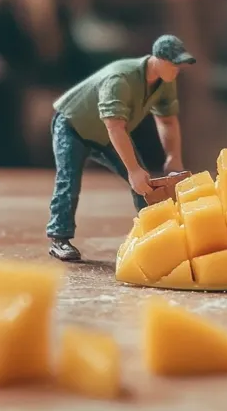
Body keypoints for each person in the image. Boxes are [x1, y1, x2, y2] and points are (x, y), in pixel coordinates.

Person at [47, 35, 196, 262]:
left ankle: (154, 230)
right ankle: (59, 238)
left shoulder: (166, 81)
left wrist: (173, 156)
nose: (178, 69)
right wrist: (132, 169)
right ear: (157, 59)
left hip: (108, 133)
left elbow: (167, 120)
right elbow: (114, 126)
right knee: (69, 181)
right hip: (73, 125)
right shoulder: (120, 78)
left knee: (145, 183)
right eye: (174, 64)